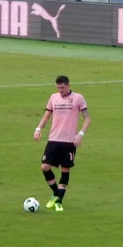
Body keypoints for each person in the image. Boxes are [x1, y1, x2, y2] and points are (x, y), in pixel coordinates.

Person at [33, 75, 91, 212]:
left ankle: (59, 201)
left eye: (62, 88)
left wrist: (80, 134)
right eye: (58, 88)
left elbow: (87, 119)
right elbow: (47, 116)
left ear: (68, 85)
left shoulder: (78, 98)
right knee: (45, 167)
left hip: (69, 141)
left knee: (65, 170)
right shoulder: (53, 98)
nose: (60, 90)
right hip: (53, 139)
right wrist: (38, 129)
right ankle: (56, 194)